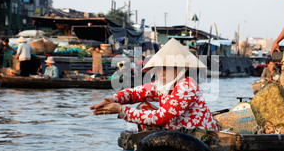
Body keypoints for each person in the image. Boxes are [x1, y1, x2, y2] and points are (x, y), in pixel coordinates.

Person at [90, 38, 218, 132]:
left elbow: (162, 118)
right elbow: (135, 93)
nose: (160, 73)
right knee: (143, 106)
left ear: (179, 69)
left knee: (148, 113)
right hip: (177, 132)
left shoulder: (187, 86)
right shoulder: (162, 85)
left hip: (198, 135)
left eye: (166, 68)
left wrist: (120, 109)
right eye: (158, 68)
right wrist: (113, 99)